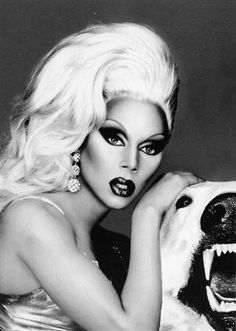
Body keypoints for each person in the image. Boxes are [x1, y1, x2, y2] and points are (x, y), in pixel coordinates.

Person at [0, 23, 201, 331]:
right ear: (79, 132)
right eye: (114, 138)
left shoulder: (111, 247)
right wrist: (147, 212)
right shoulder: (31, 218)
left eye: (150, 146)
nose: (131, 163)